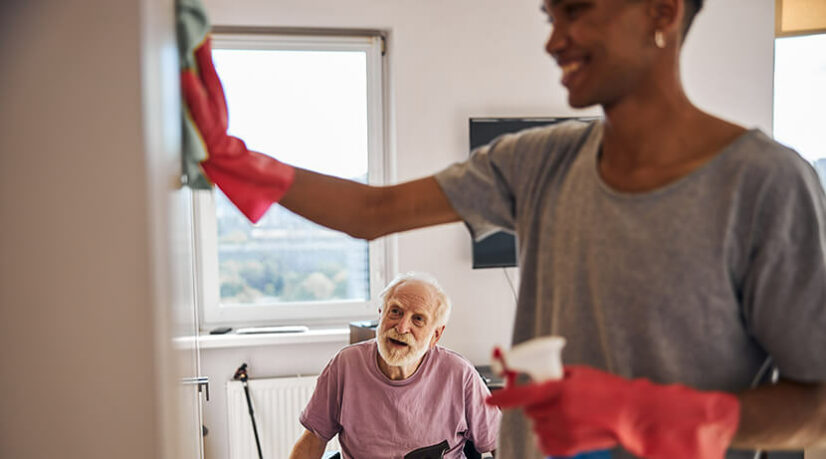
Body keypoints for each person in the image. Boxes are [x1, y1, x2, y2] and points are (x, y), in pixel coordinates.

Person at [182, 0, 826, 457]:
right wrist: (231, 157)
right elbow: (372, 213)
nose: (553, 41)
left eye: (576, 10)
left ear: (663, 11)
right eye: (551, 16)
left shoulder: (765, 186)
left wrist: (653, 416)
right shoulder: (541, 160)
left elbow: (816, 406)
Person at [289, 273, 501, 459]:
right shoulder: (346, 365)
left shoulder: (460, 374)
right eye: (396, 312)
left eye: (418, 319)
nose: (401, 327)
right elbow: (313, 439)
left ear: (436, 335)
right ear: (381, 314)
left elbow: (501, 445)